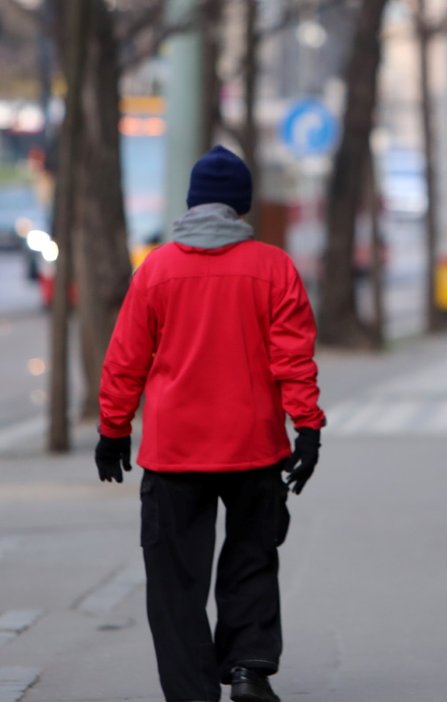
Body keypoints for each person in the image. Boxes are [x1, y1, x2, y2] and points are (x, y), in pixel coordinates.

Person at [95, 145, 325, 702]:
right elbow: (292, 357)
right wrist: (308, 429)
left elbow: (126, 358)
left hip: (174, 454)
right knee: (251, 558)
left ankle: (191, 692)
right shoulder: (273, 268)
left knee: (175, 581)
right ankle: (248, 670)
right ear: (241, 207)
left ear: (192, 203)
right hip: (254, 448)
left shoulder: (158, 270)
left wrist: (113, 430)